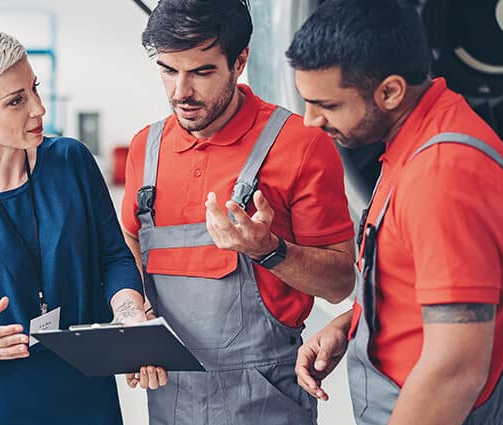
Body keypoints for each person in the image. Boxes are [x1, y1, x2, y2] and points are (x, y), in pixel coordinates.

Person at [120, 0, 356, 423]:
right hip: (170, 400)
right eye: (168, 70)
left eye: (202, 72)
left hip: (267, 401)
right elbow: (129, 243)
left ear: (240, 61)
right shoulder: (145, 150)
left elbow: (340, 283)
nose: (180, 92)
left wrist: (269, 250)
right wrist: (137, 317)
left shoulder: (300, 145)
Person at [286, 1, 503, 424]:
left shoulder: (443, 174)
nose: (309, 120)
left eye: (326, 105)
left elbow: (455, 369)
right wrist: (353, 326)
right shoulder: (417, 138)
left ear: (389, 92)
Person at [0, 27, 149, 425]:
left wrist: (130, 315)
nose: (39, 109)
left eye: (34, 89)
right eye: (16, 101)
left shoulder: (71, 162)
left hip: (86, 390)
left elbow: (113, 256)